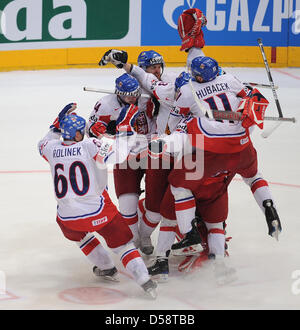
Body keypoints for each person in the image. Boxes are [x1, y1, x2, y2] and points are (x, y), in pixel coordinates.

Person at [147, 56, 282, 284]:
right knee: (251, 178)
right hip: (241, 147)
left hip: (209, 155)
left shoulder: (188, 92)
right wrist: (249, 108)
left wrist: (162, 143)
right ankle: (268, 207)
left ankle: (184, 239)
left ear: (197, 76)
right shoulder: (229, 79)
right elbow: (253, 97)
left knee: (177, 190)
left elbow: (176, 127)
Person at [38, 102, 157, 298]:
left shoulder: (50, 148)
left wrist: (55, 127)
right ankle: (145, 281)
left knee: (81, 235)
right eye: (80, 131)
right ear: (77, 134)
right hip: (99, 212)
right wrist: (126, 128)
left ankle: (106, 268)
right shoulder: (89, 145)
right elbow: (119, 155)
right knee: (123, 245)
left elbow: (42, 142)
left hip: (67, 218)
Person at [87, 73, 156, 249]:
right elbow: (90, 132)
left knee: (156, 205)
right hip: (125, 157)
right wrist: (97, 131)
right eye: (127, 95)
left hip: (151, 154)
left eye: (135, 94)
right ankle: (134, 241)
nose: (132, 99)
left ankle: (145, 236)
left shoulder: (147, 98)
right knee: (126, 208)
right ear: (117, 93)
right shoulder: (105, 105)